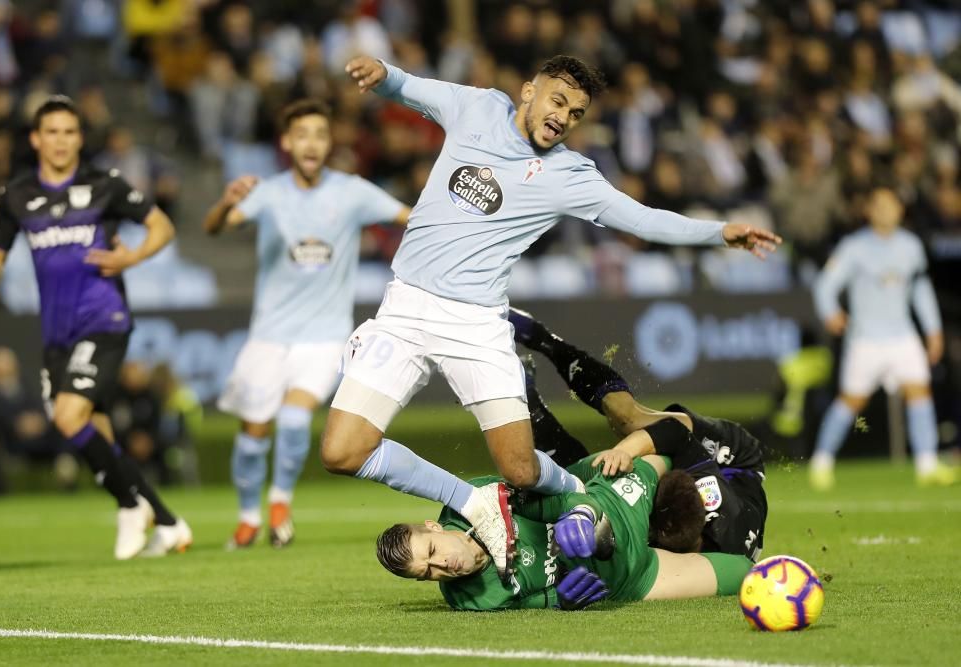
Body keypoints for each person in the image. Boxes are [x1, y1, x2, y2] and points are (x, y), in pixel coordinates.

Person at [322, 54, 781, 578]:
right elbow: (409, 88)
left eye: (577, 113)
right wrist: (382, 74)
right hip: (404, 309)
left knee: (518, 468)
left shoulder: (570, 175)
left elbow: (642, 218)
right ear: (528, 91)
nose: (563, 117)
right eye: (558, 100)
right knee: (341, 450)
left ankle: (586, 495)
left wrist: (718, 232)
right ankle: (474, 504)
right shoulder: (477, 108)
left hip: (475, 324)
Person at [0, 95, 192, 559]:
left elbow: (162, 227)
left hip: (104, 319)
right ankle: (168, 523)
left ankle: (131, 505)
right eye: (51, 132)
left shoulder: (103, 185)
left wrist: (131, 256)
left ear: (79, 138)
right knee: (96, 434)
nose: (60, 141)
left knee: (68, 417)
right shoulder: (16, 195)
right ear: (35, 139)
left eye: (70, 132)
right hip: (56, 333)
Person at [202, 99, 410, 549]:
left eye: (319, 133)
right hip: (269, 335)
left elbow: (407, 217)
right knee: (254, 429)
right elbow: (215, 228)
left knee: (295, 419)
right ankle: (246, 518)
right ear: (287, 143)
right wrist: (225, 203)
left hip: (325, 335)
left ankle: (279, 505)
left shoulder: (352, 190)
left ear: (328, 142)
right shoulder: (270, 192)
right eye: (302, 134)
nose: (311, 143)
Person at [508, 309, 768, 560]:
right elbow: (674, 433)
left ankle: (529, 400)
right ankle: (543, 339)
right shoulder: (714, 502)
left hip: (699, 515)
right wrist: (623, 451)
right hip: (732, 460)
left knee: (585, 490)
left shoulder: (701, 554)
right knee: (628, 419)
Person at [375, 453, 754, 611]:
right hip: (630, 577)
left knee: (660, 457)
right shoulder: (469, 600)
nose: (443, 566)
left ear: (433, 527)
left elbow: (565, 495)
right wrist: (561, 600)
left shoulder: (480, 498)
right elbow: (537, 601)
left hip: (615, 507)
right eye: (428, 573)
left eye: (432, 551)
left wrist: (582, 517)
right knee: (747, 574)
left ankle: (733, 468)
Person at [808, 186, 955, 489]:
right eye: (879, 206)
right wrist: (830, 312)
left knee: (919, 392)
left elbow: (920, 290)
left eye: (891, 205)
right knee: (851, 401)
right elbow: (825, 284)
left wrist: (933, 330)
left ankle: (926, 465)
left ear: (900, 211)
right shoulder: (854, 246)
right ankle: (820, 462)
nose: (886, 211)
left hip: (903, 335)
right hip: (867, 339)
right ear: (870, 211)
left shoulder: (911, 245)